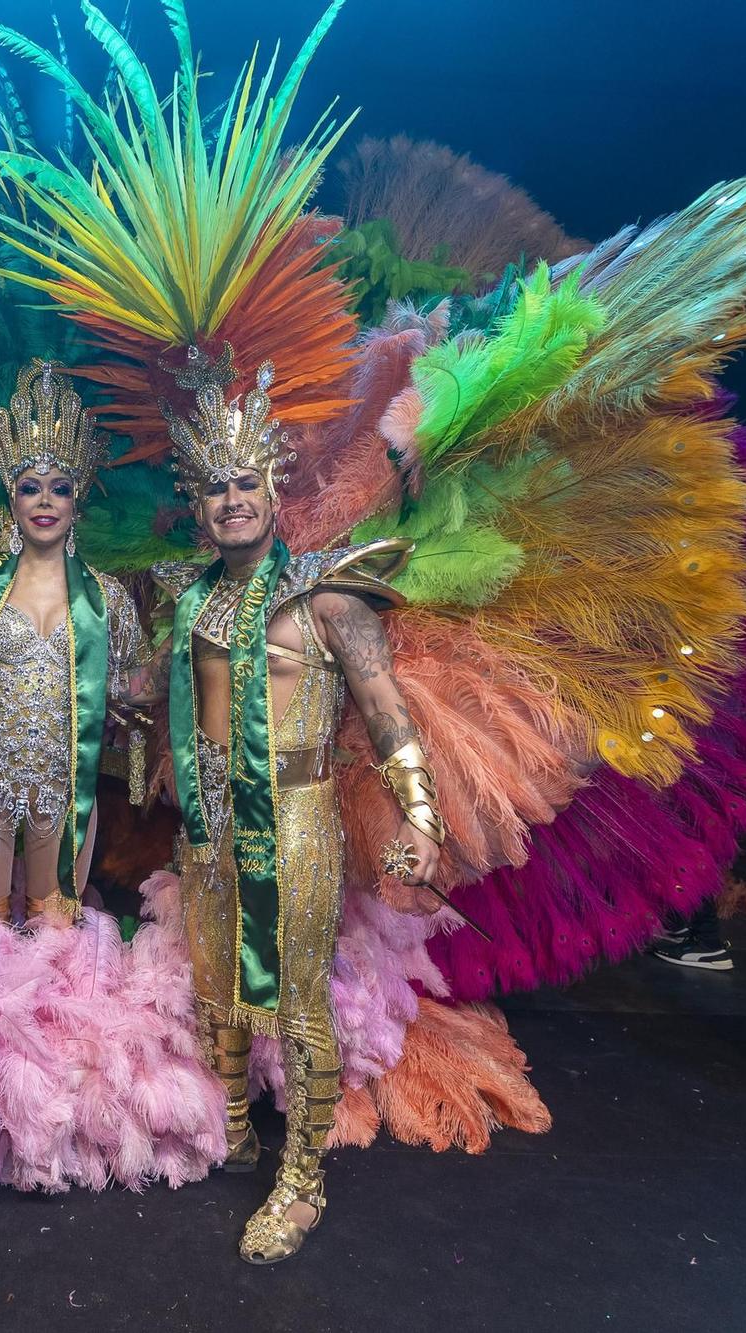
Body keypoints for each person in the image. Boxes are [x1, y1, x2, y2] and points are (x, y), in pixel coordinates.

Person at [155, 350, 449, 1264]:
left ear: (271, 488)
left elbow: (386, 708)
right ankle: (237, 1128)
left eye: (244, 481)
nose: (230, 500)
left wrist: (421, 815)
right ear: (198, 508)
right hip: (207, 826)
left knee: (297, 1002)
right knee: (217, 988)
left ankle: (303, 1182)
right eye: (212, 489)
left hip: (295, 821)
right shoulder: (186, 596)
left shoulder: (324, 593)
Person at [0, 362, 144, 923]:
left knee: (56, 923)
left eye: (60, 489)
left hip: (66, 785)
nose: (45, 501)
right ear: (12, 498)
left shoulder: (107, 600)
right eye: (30, 487)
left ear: (75, 501)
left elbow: (134, 688)